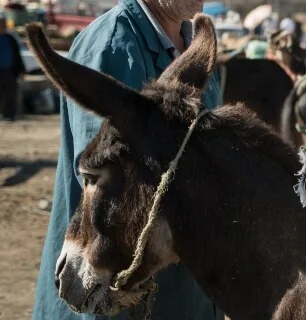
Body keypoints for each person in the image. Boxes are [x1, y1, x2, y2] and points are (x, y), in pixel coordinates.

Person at [32, 0, 223, 319]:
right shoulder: (113, 45)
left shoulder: (198, 44)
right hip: (116, 288)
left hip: (187, 294)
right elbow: (114, 180)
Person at [0, 14, 25, 121]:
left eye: (4, 24)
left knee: (11, 94)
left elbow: (17, 55)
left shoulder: (10, 39)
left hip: (9, 71)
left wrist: (21, 69)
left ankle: (9, 115)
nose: (3, 26)